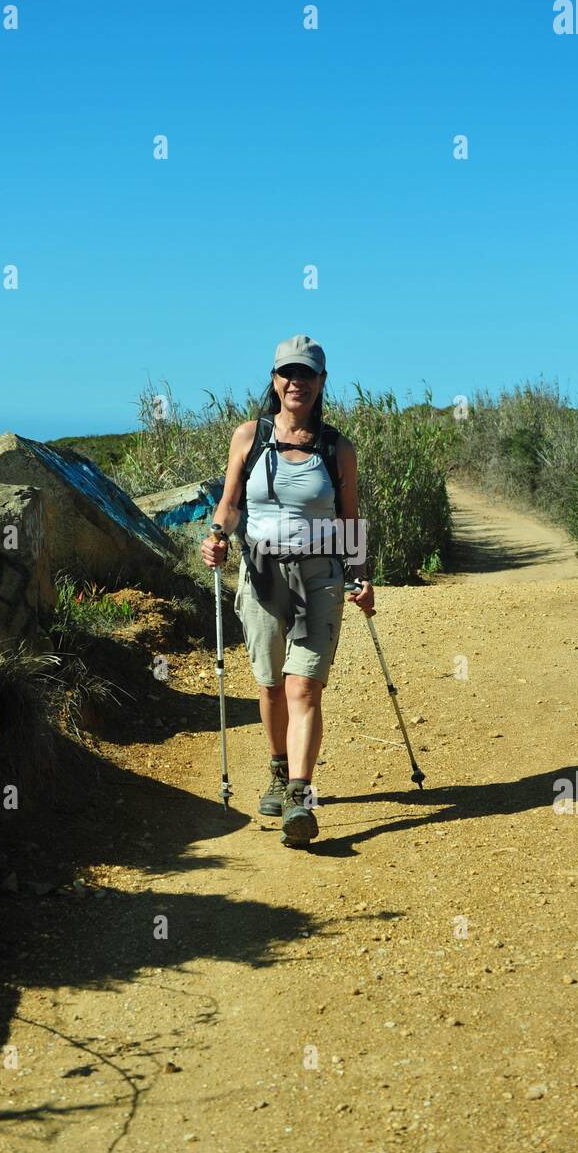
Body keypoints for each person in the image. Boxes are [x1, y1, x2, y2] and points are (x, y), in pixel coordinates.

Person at [200, 334, 374, 848]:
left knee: (304, 686)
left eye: (307, 374)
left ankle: (301, 794)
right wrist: (216, 539)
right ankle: (278, 768)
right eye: (287, 374)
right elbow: (230, 504)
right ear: (274, 381)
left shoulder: (337, 449)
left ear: (322, 383)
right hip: (260, 574)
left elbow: (349, 519)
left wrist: (361, 577)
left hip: (320, 576)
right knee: (271, 684)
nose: (296, 382)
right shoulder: (248, 437)